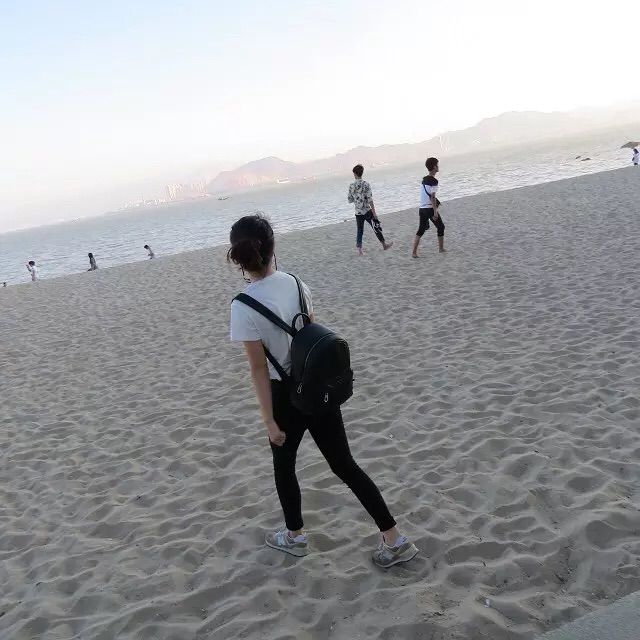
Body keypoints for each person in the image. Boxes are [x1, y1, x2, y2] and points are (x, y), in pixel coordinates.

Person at [228, 214, 417, 568]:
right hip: (315, 387)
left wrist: (268, 420)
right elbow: (311, 336)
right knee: (345, 465)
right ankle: (394, 538)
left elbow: (258, 368)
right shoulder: (295, 283)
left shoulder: (242, 306)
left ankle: (295, 536)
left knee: (284, 467)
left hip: (284, 396)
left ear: (239, 258)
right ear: (272, 247)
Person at [347, 164, 393, 256]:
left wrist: (356, 198)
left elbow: (350, 200)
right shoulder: (366, 184)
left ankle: (360, 251)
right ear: (362, 173)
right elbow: (370, 199)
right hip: (367, 211)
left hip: (358, 212)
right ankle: (384, 245)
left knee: (360, 230)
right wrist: (374, 212)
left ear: (355, 174)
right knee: (375, 227)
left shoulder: (351, 186)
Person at [412, 157, 446, 258]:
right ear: (434, 167)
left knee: (421, 230)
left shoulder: (424, 180)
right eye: (437, 165)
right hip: (429, 208)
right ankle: (441, 249)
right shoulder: (434, 181)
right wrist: (435, 212)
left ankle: (414, 252)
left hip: (422, 209)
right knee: (441, 227)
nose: (438, 167)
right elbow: (432, 196)